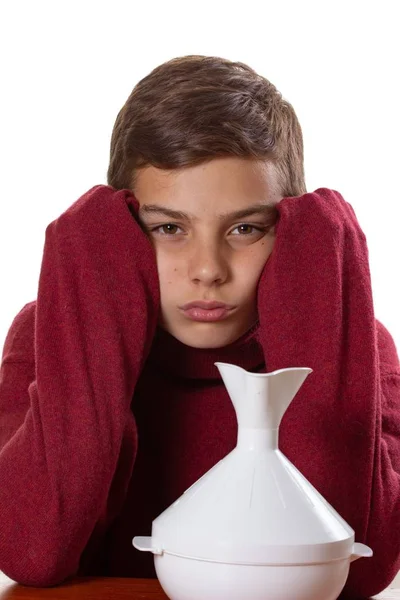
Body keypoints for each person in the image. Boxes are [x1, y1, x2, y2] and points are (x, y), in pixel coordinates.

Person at [0, 55, 399, 598]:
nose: (208, 269)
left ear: (290, 228)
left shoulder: (353, 344)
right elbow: (32, 552)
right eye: (168, 227)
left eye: (244, 228)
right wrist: (90, 271)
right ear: (121, 229)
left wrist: (324, 267)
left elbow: (359, 570)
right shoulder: (53, 333)